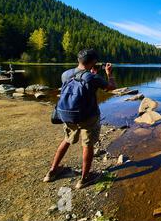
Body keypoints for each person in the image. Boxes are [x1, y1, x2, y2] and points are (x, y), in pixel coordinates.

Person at [44, 49, 117, 189]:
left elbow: (76, 88)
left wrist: (92, 74)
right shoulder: (92, 78)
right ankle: (84, 179)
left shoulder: (65, 74)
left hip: (68, 114)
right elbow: (111, 87)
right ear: (93, 62)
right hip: (87, 117)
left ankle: (52, 171)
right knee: (88, 145)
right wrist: (109, 74)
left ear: (79, 60)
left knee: (66, 140)